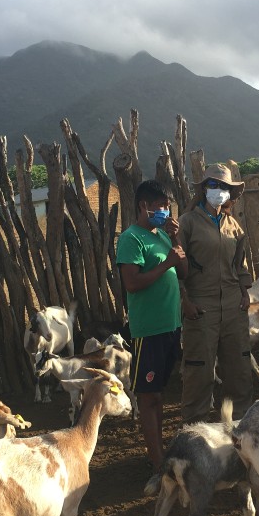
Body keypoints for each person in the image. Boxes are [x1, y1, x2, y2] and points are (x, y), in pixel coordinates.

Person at [116, 180, 188, 469]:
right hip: (148, 330)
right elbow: (131, 284)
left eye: (167, 205)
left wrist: (176, 241)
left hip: (171, 326)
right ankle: (158, 462)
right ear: (143, 206)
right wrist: (166, 263)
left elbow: (183, 271)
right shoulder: (131, 239)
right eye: (160, 205)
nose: (165, 210)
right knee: (150, 397)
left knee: (160, 393)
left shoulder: (162, 236)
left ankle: (161, 454)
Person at [178, 163, 253, 422]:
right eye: (213, 185)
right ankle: (194, 434)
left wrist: (245, 295)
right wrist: (184, 301)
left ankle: (239, 434)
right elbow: (176, 267)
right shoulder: (186, 223)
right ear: (203, 189)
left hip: (234, 306)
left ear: (230, 193)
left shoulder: (234, 226)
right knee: (199, 372)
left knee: (239, 369)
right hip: (201, 306)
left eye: (224, 186)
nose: (218, 190)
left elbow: (241, 264)